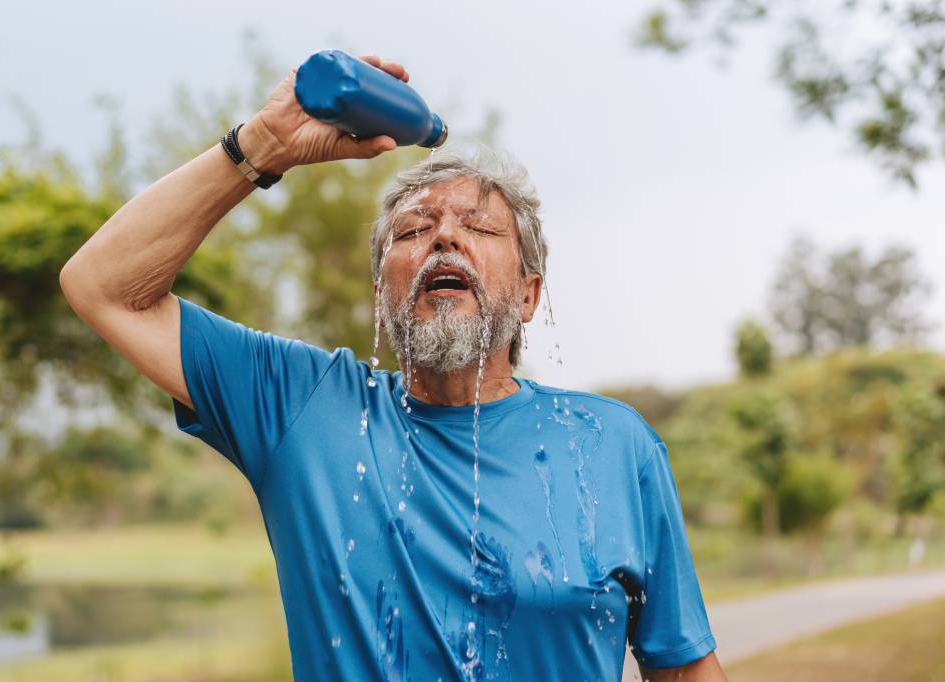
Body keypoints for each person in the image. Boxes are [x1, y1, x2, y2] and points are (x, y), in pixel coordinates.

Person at [60, 53, 727, 682]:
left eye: (479, 227)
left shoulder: (613, 445)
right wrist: (262, 144)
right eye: (414, 231)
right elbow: (103, 286)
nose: (443, 236)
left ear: (528, 295)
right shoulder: (303, 408)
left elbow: (683, 667)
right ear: (383, 291)